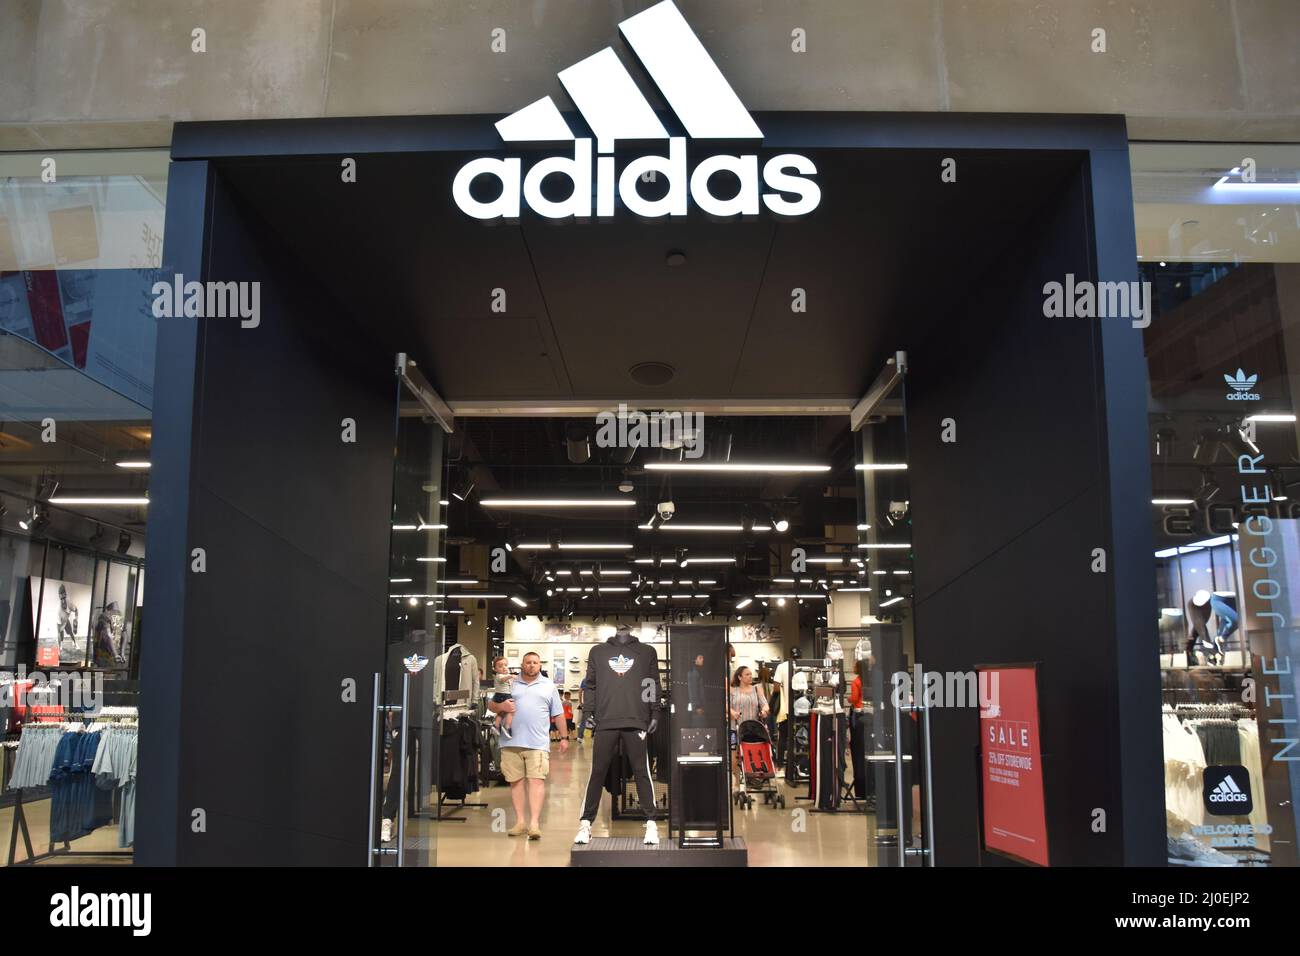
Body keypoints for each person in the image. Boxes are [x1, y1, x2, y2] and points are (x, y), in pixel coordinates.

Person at [486, 651, 569, 839]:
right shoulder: (510, 682)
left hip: (537, 743)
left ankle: (534, 824)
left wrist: (564, 737)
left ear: (540, 665)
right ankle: (520, 822)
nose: (531, 665)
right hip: (510, 741)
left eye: (535, 662)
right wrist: (502, 707)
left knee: (536, 781)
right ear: (522, 665)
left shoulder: (549, 686)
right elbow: (491, 705)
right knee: (515, 783)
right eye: (528, 662)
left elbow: (558, 714)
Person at [729, 666, 769, 776]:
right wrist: (733, 712)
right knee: (734, 754)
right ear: (739, 677)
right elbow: (726, 705)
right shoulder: (733, 690)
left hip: (753, 727)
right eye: (747, 674)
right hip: (735, 726)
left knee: (753, 752)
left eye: (751, 674)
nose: (750, 676)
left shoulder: (757, 688)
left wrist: (764, 711)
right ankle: (736, 781)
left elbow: (765, 704)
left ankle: (754, 775)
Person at [490, 656, 514, 740]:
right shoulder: (499, 676)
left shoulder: (505, 674)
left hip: (502, 695)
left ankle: (496, 725)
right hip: (503, 695)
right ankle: (507, 727)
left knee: (502, 712)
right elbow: (503, 680)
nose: (504, 667)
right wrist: (511, 676)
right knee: (511, 711)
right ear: (495, 669)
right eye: (500, 666)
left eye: (505, 665)